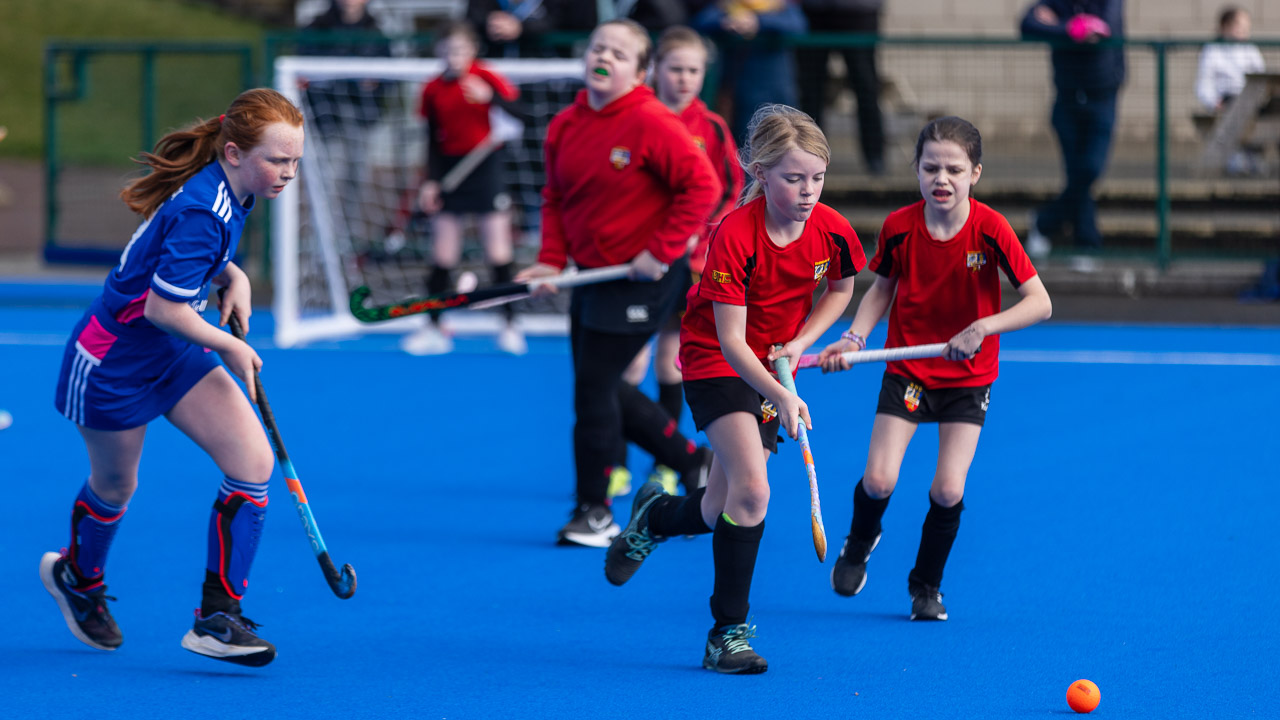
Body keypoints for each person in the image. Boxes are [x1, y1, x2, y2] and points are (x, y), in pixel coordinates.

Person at [40, 88, 305, 666]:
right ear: (233, 152)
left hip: (171, 350)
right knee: (116, 487)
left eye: (294, 162)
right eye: (277, 161)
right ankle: (77, 579)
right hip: (113, 362)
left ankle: (217, 619)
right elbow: (164, 306)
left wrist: (234, 276)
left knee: (252, 466)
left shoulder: (233, 189)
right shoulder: (202, 209)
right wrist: (232, 350)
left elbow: (185, 253)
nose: (286, 173)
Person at [603, 104, 864, 674]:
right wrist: (786, 394)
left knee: (723, 505)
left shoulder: (833, 228)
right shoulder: (735, 235)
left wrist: (800, 341)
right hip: (718, 359)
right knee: (754, 491)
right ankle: (727, 633)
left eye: (817, 178)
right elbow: (731, 343)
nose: (807, 191)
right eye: (793, 178)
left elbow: (842, 290)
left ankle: (657, 517)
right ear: (760, 172)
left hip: (771, 362)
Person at [819, 116, 1052, 622]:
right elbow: (882, 288)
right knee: (878, 480)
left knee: (948, 489)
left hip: (969, 377)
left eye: (954, 169)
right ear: (917, 171)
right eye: (931, 168)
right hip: (908, 370)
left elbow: (1040, 303)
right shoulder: (900, 226)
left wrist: (983, 328)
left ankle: (926, 587)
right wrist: (855, 336)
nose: (941, 178)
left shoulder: (989, 228)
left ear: (975, 174)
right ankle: (859, 544)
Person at [514, 19, 720, 547]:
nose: (604, 56)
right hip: (590, 276)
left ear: (640, 71)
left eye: (620, 53)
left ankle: (595, 510)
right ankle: (694, 461)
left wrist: (662, 249)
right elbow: (557, 199)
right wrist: (549, 261)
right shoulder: (565, 124)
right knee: (601, 385)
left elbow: (703, 186)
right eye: (597, 46)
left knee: (593, 391)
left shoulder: (651, 121)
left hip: (642, 278)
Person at [619, 26, 745, 496]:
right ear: (654, 70)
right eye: (676, 68)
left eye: (694, 70)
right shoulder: (637, 119)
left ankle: (665, 463)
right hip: (636, 263)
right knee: (627, 367)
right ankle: (615, 461)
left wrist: (704, 232)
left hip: (686, 265)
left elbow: (730, 187)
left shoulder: (710, 128)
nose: (685, 78)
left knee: (671, 362)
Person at [401, 21, 527, 356]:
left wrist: (492, 98)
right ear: (439, 53)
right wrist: (430, 181)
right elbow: (432, 139)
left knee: (497, 252)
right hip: (450, 170)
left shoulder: (487, 78)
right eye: (447, 51)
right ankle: (433, 326)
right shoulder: (431, 90)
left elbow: (523, 113)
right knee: (443, 254)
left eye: (460, 51)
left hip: (486, 167)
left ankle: (511, 324)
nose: (453, 57)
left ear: (471, 52)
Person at [1020, 0, 1125, 262]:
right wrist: (1071, 28)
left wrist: (1057, 23)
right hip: (1066, 99)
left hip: (1102, 98)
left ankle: (1044, 222)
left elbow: (1102, 28)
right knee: (1076, 172)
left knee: (1088, 170)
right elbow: (1028, 24)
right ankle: (1087, 243)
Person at [297, 0, 392, 260]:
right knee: (326, 181)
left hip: (360, 119)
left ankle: (348, 246)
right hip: (326, 119)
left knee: (355, 181)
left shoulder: (376, 32)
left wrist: (373, 84)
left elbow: (387, 77)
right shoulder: (317, 28)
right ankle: (322, 243)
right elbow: (305, 71)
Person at [692, 0, 808, 142]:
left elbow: (798, 25)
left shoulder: (778, 5)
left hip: (777, 88)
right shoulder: (728, 6)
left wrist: (758, 22)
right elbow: (701, 21)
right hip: (739, 92)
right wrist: (727, 22)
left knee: (785, 136)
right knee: (744, 140)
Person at [796, 0, 886, 175]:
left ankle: (875, 158)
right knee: (810, 90)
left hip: (858, 11)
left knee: (865, 85)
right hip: (814, 11)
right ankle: (809, 155)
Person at [1195, 7, 1267, 176]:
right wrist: (1213, 102)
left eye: (1246, 30)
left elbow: (1262, 76)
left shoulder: (1250, 49)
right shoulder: (1212, 51)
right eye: (1239, 28)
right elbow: (1203, 85)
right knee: (1238, 103)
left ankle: (1252, 155)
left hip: (1251, 100)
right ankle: (1237, 155)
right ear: (1225, 27)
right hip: (1227, 100)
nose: (1243, 34)